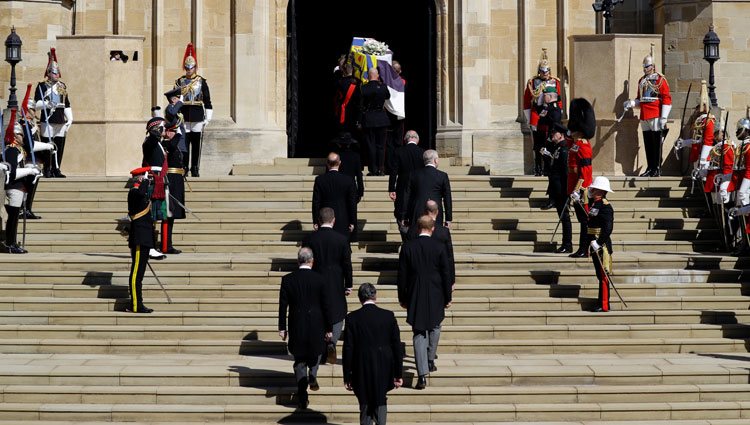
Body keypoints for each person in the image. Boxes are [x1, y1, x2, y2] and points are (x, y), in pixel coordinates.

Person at [397, 215, 452, 390]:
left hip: (415, 293)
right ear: (433, 228)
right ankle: (429, 360)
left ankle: (421, 375)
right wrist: (448, 296)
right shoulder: (439, 247)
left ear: (418, 228)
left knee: (419, 333)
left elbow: (402, 276)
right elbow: (446, 274)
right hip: (436, 293)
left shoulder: (408, 247)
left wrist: (402, 298)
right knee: (435, 326)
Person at [278, 247, 332, 409]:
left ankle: (302, 395)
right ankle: (313, 374)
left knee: (299, 360)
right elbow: (326, 306)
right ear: (312, 261)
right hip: (317, 323)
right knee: (315, 352)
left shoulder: (288, 279)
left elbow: (283, 306)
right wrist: (329, 327)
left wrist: (282, 327)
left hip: (296, 323)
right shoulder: (320, 279)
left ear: (298, 261)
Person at [343, 283, 403, 425]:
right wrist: (398, 373)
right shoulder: (388, 316)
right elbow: (397, 347)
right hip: (384, 366)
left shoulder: (352, 318)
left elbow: (348, 348)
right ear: (375, 296)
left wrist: (347, 375)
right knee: (380, 398)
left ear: (360, 298)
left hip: (361, 367)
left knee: (364, 402)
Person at [303, 207, 353, 364]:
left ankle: (321, 345)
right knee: (338, 312)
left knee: (318, 311)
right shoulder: (342, 239)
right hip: (336, 281)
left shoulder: (310, 239)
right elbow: (347, 264)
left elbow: (304, 260)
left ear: (318, 221)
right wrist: (348, 284)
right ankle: (332, 341)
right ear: (334, 220)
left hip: (315, 280)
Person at [623, 44, 672, 177]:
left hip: (655, 114)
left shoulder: (660, 80)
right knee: (648, 143)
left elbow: (667, 98)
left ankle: (656, 168)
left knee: (656, 143)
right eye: (644, 67)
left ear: (653, 66)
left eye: (647, 66)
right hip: (644, 115)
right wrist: (632, 103)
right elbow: (641, 99)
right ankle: (650, 167)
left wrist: (664, 117)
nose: (645, 69)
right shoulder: (641, 81)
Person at [2, 109, 41, 253]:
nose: (22, 136)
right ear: (13, 135)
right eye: (20, 134)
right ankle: (9, 244)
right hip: (14, 186)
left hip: (20, 187)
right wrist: (29, 171)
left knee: (15, 218)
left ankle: (12, 243)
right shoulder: (11, 150)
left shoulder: (19, 149)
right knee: (12, 219)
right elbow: (11, 173)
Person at [174, 42, 212, 177]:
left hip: (197, 114)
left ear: (195, 67)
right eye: (187, 67)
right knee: (184, 143)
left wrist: (208, 117)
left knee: (196, 143)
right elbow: (174, 98)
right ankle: (184, 166)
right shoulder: (180, 81)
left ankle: (195, 167)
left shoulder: (201, 81)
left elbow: (207, 100)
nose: (189, 69)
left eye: (191, 67)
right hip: (184, 115)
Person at [523, 48, 563, 177]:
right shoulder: (533, 82)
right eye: (542, 71)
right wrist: (530, 120)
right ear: (539, 71)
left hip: (551, 115)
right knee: (538, 143)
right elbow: (527, 102)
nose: (545, 73)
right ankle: (538, 168)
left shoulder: (555, 82)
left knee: (550, 142)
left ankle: (548, 167)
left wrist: (559, 115)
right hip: (538, 115)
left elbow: (560, 100)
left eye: (547, 71)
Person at [34, 47, 72, 178]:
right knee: (47, 146)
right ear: (49, 73)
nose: (56, 75)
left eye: (57, 73)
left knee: (59, 145)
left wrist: (70, 119)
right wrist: (47, 103)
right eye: (54, 73)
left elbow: (66, 104)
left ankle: (57, 168)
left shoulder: (62, 86)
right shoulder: (41, 86)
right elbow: (37, 103)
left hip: (60, 119)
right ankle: (47, 169)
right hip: (48, 119)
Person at [566, 99, 595, 258]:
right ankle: (582, 248)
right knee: (581, 220)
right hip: (573, 187)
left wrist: (577, 190)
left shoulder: (583, 145)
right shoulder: (576, 143)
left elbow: (585, 172)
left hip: (581, 190)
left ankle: (585, 249)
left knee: (585, 221)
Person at [126, 167, 156, 313]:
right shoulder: (134, 192)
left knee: (139, 274)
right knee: (136, 274)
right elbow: (140, 193)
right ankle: (136, 305)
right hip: (139, 238)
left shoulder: (141, 193)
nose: (148, 180)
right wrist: (143, 181)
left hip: (144, 238)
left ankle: (137, 303)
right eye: (146, 177)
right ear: (139, 178)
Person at [401, 149, 452, 233]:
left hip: (416, 211)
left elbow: (406, 196)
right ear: (435, 160)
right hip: (435, 211)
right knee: (434, 237)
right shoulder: (442, 176)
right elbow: (447, 198)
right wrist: (448, 218)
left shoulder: (413, 174)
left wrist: (404, 216)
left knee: (417, 238)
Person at [312, 152, 358, 241]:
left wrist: (315, 220)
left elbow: (316, 202)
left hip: (325, 218)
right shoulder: (348, 180)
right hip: (343, 218)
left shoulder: (320, 180)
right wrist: (352, 221)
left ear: (327, 163)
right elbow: (352, 203)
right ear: (339, 163)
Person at [408, 201, 456, 286]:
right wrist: (451, 280)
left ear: (424, 211)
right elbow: (449, 257)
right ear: (437, 211)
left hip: (416, 280)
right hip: (437, 280)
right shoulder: (443, 232)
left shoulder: (412, 231)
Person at [141, 117, 169, 260]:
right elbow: (151, 139)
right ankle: (150, 248)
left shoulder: (157, 143)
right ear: (157, 129)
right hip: (153, 182)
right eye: (163, 127)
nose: (165, 129)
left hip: (158, 181)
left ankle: (151, 247)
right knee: (150, 217)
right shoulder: (150, 142)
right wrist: (156, 128)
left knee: (154, 218)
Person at [585, 176, 615, 312]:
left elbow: (608, 228)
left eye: (595, 188)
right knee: (599, 274)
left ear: (601, 191)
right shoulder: (595, 204)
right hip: (593, 243)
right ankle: (600, 301)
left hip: (601, 245)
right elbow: (587, 220)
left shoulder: (605, 206)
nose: (593, 189)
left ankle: (604, 304)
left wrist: (598, 242)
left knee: (603, 276)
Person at [161, 100, 186, 254]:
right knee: (167, 215)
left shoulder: (172, 144)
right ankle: (166, 245)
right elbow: (173, 142)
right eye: (173, 131)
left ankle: (168, 243)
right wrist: (176, 133)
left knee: (172, 216)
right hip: (170, 182)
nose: (175, 134)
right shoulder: (167, 144)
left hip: (176, 181)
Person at [389, 130, 424, 240]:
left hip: (402, 188)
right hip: (419, 188)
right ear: (417, 140)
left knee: (401, 213)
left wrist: (391, 189)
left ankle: (406, 238)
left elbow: (393, 171)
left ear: (405, 140)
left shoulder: (398, 151)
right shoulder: (422, 152)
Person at [544, 123, 572, 253]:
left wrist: (567, 191)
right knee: (562, 217)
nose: (552, 136)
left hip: (562, 188)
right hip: (556, 188)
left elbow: (565, 172)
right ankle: (566, 243)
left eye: (554, 133)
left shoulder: (564, 149)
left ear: (561, 134)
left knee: (564, 217)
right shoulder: (558, 148)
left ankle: (567, 244)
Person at [360, 67, 391, 176]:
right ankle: (381, 169)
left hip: (369, 119)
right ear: (377, 75)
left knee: (371, 145)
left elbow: (361, 105)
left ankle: (373, 169)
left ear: (368, 76)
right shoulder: (383, 87)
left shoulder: (363, 88)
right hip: (381, 118)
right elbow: (388, 96)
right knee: (381, 146)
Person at [730, 118, 750, 255]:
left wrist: (742, 190)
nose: (737, 132)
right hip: (740, 184)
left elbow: (749, 170)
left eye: (740, 129)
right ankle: (743, 243)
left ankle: (746, 244)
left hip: (747, 187)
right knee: (740, 216)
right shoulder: (742, 146)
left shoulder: (749, 146)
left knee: (746, 217)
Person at [385, 60, 406, 175]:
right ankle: (395, 167)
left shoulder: (387, 83)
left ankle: (391, 167)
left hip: (392, 116)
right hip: (395, 116)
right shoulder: (401, 82)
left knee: (391, 144)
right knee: (396, 144)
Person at [334, 62, 360, 135]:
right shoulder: (357, 83)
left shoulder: (340, 82)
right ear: (353, 70)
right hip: (354, 111)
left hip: (341, 110)